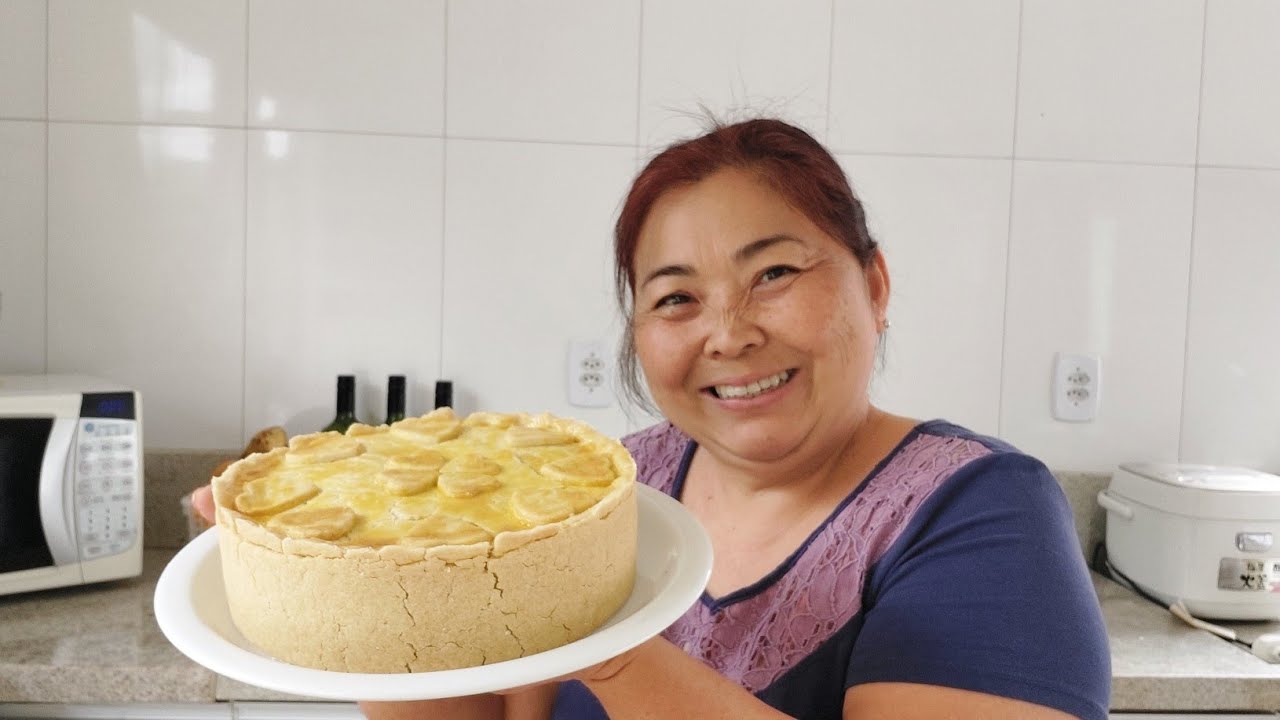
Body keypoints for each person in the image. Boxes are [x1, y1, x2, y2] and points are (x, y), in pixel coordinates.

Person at [192, 118, 1111, 719]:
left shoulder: (982, 513)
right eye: (676, 299)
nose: (729, 332)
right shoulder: (616, 488)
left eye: (775, 275)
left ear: (873, 285)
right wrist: (373, 589)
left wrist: (606, 648)